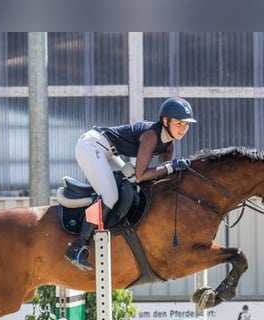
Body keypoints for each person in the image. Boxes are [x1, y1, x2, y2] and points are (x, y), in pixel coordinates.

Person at [65, 97, 197, 271]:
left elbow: (161, 175)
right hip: (91, 145)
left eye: (186, 125)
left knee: (130, 183)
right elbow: (142, 175)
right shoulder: (151, 136)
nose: (183, 129)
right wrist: (172, 167)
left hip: (108, 152)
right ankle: (78, 247)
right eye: (179, 123)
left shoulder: (168, 145)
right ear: (165, 121)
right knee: (110, 196)